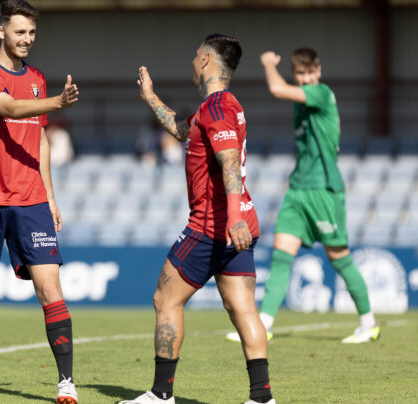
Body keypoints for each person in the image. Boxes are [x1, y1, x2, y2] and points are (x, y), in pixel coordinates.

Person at [120, 34, 274, 404]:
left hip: (213, 225)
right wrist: (151, 98)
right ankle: (262, 398)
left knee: (165, 299)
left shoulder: (217, 107)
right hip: (239, 223)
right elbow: (185, 132)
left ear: (206, 60)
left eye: (195, 55)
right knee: (242, 307)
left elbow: (230, 162)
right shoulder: (220, 107)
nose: (192, 61)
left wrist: (232, 217)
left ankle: (161, 395)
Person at [0, 0, 79, 403]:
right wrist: (57, 103)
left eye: (32, 33)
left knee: (50, 289)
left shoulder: (38, 79)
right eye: (20, 31)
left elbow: (39, 138)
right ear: (0, 31)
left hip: (30, 201)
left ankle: (66, 383)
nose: (27, 39)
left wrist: (49, 194)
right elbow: (8, 107)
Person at [226, 48, 379, 344]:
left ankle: (368, 323)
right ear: (296, 74)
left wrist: (269, 64)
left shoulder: (321, 93)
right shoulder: (303, 99)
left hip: (323, 189)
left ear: (318, 71)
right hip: (298, 190)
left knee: (340, 259)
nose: (307, 79)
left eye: (310, 73)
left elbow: (276, 88)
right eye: (301, 74)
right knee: (282, 257)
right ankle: (265, 324)